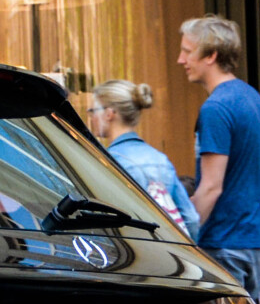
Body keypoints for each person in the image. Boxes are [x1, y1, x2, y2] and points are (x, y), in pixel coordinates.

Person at [178, 15, 260, 299]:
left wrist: (180, 238)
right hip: (253, 243)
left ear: (211, 56)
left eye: (187, 51)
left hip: (224, 244)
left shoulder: (216, 108)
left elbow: (210, 187)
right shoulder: (253, 100)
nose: (181, 60)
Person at [84, 80, 197, 239]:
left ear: (109, 114)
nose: (92, 118)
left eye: (93, 111)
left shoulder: (109, 163)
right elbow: (191, 219)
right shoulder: (160, 159)